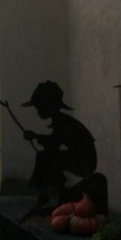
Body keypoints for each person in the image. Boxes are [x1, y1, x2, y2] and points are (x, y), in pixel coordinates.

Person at [22, 81, 97, 209]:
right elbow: (54, 141)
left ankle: (49, 192)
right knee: (45, 156)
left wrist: (36, 137)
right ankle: (48, 192)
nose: (37, 111)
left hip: (83, 162)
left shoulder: (62, 123)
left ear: (48, 106)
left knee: (46, 157)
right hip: (79, 158)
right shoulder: (61, 120)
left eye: (39, 107)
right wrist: (36, 137)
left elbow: (53, 144)